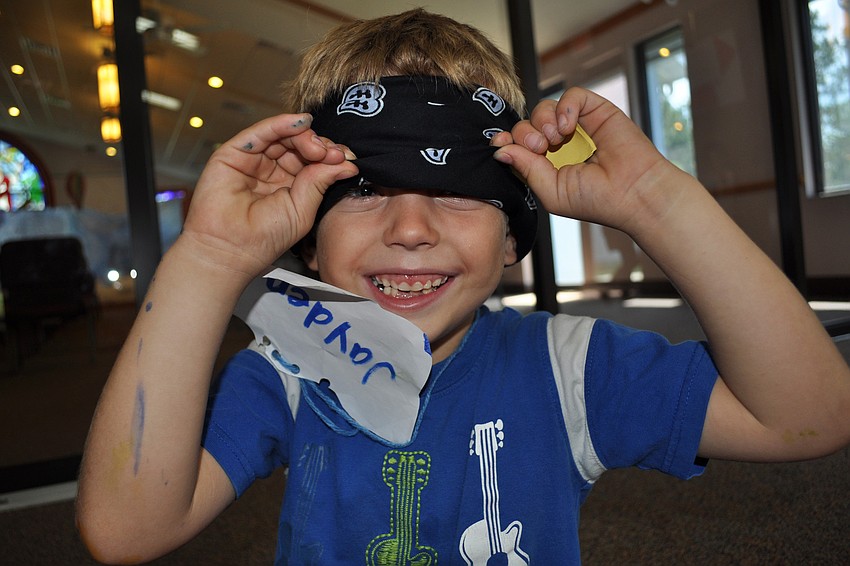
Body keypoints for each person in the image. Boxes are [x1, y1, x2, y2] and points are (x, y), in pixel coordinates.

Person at [76, 8, 850, 564]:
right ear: (307, 237)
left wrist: (657, 202)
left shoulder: (570, 369)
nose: (411, 228)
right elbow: (125, 530)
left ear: (513, 236)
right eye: (366, 190)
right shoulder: (288, 370)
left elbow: (809, 417)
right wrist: (209, 256)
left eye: (455, 191)